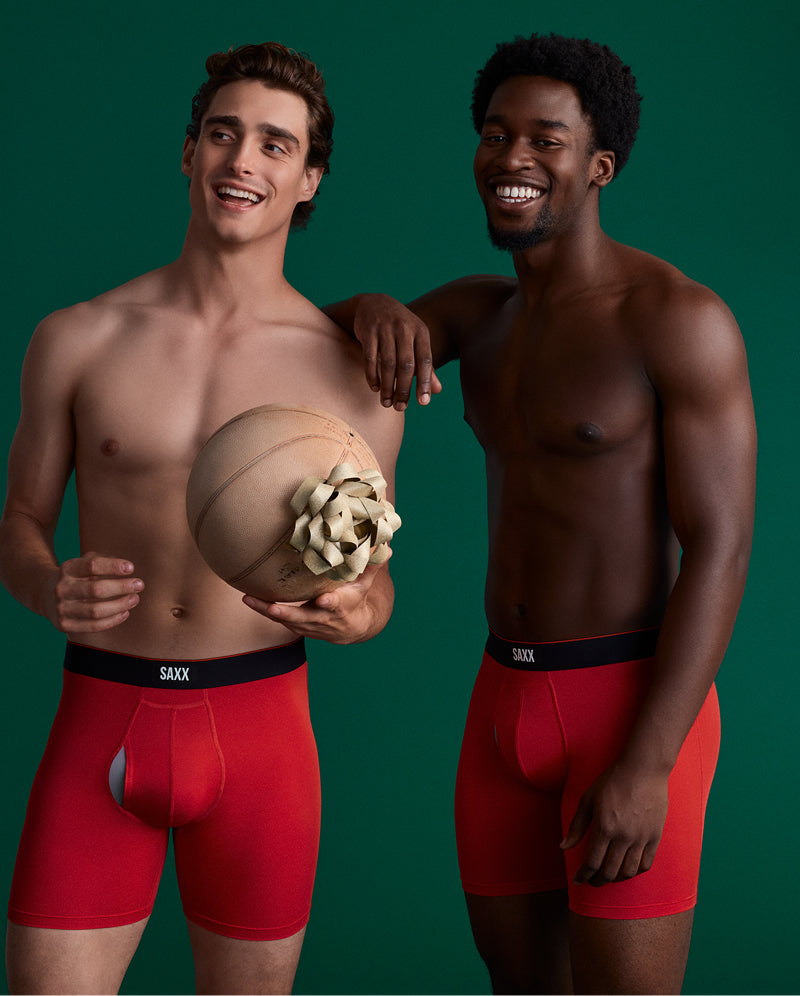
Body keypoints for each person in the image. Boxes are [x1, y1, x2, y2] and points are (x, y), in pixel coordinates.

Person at [329, 33, 756, 995]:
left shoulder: (675, 317)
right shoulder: (479, 318)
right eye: (495, 132)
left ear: (599, 165)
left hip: (630, 703)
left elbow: (722, 548)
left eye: (547, 140)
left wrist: (651, 765)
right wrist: (370, 303)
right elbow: (299, 355)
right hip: (501, 700)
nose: (512, 157)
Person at [0, 43, 402, 996]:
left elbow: (373, 578)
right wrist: (44, 582)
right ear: (189, 153)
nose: (243, 161)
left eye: (275, 143)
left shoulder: (354, 376)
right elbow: (18, 520)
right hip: (102, 712)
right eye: (223, 134)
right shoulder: (77, 337)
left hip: (260, 732)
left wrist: (360, 614)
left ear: (308, 180)